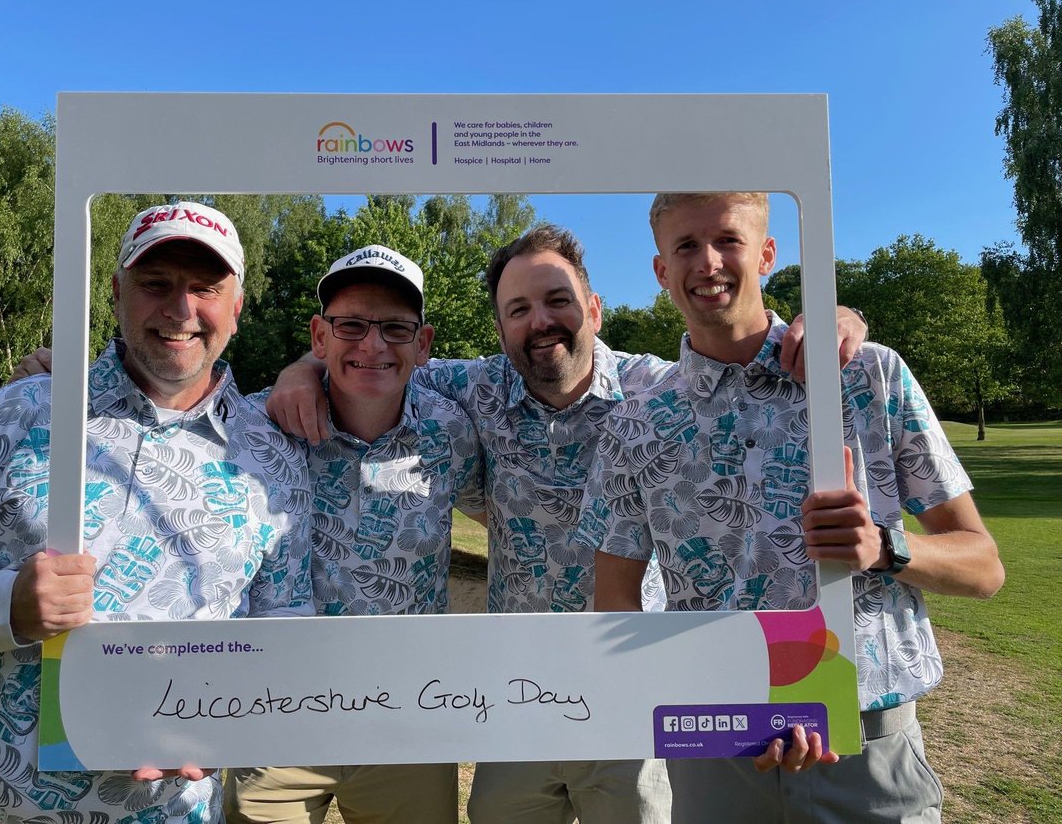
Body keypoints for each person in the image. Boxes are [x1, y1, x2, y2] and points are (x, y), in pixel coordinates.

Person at [266, 224, 869, 824]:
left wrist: (840, 316)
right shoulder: (475, 387)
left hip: (634, 690)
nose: (540, 321)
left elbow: (742, 359)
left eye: (558, 301)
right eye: (518, 309)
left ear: (595, 309)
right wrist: (300, 371)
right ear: (501, 328)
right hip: (518, 693)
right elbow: (367, 356)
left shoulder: (661, 390)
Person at [0, 201, 314, 824]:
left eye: (205, 289)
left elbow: (285, 627)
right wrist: (8, 604)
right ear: (115, 293)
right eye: (155, 284)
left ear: (237, 307)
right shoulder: (22, 412)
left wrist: (234, 727)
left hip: (169, 812)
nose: (180, 309)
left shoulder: (275, 456)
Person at [579, 192, 1005, 823]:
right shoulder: (637, 424)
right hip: (714, 754)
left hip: (866, 751)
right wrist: (684, 713)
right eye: (686, 246)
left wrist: (885, 546)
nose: (709, 262)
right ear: (661, 271)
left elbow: (985, 566)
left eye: (728, 239)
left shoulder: (866, 378)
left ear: (768, 253)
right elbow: (614, 600)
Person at [223, 246, 484, 824]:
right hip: (275, 719)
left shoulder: (452, 431)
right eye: (351, 326)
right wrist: (54, 386)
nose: (373, 345)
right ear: (320, 337)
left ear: (424, 344)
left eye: (395, 328)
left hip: (406, 720)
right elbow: (163, 410)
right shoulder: (253, 426)